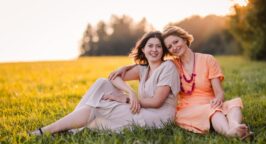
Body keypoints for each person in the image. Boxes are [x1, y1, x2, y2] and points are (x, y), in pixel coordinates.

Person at [109, 26, 253, 140]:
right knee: (214, 112)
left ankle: (236, 125)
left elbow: (219, 92)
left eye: (176, 42)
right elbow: (146, 64)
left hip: (210, 101)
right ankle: (229, 132)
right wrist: (125, 67)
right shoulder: (171, 66)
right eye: (170, 46)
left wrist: (218, 99)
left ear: (184, 39)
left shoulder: (208, 59)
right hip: (187, 108)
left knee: (233, 105)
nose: (174, 47)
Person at [29, 31, 180, 136]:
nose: (154, 50)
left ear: (163, 50)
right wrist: (130, 92)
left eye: (158, 46)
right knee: (102, 83)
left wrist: (126, 99)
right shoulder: (143, 69)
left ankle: (47, 131)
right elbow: (112, 77)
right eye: (150, 46)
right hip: (141, 108)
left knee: (99, 106)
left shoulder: (168, 67)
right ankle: (70, 126)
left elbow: (157, 102)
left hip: (158, 117)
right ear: (144, 49)